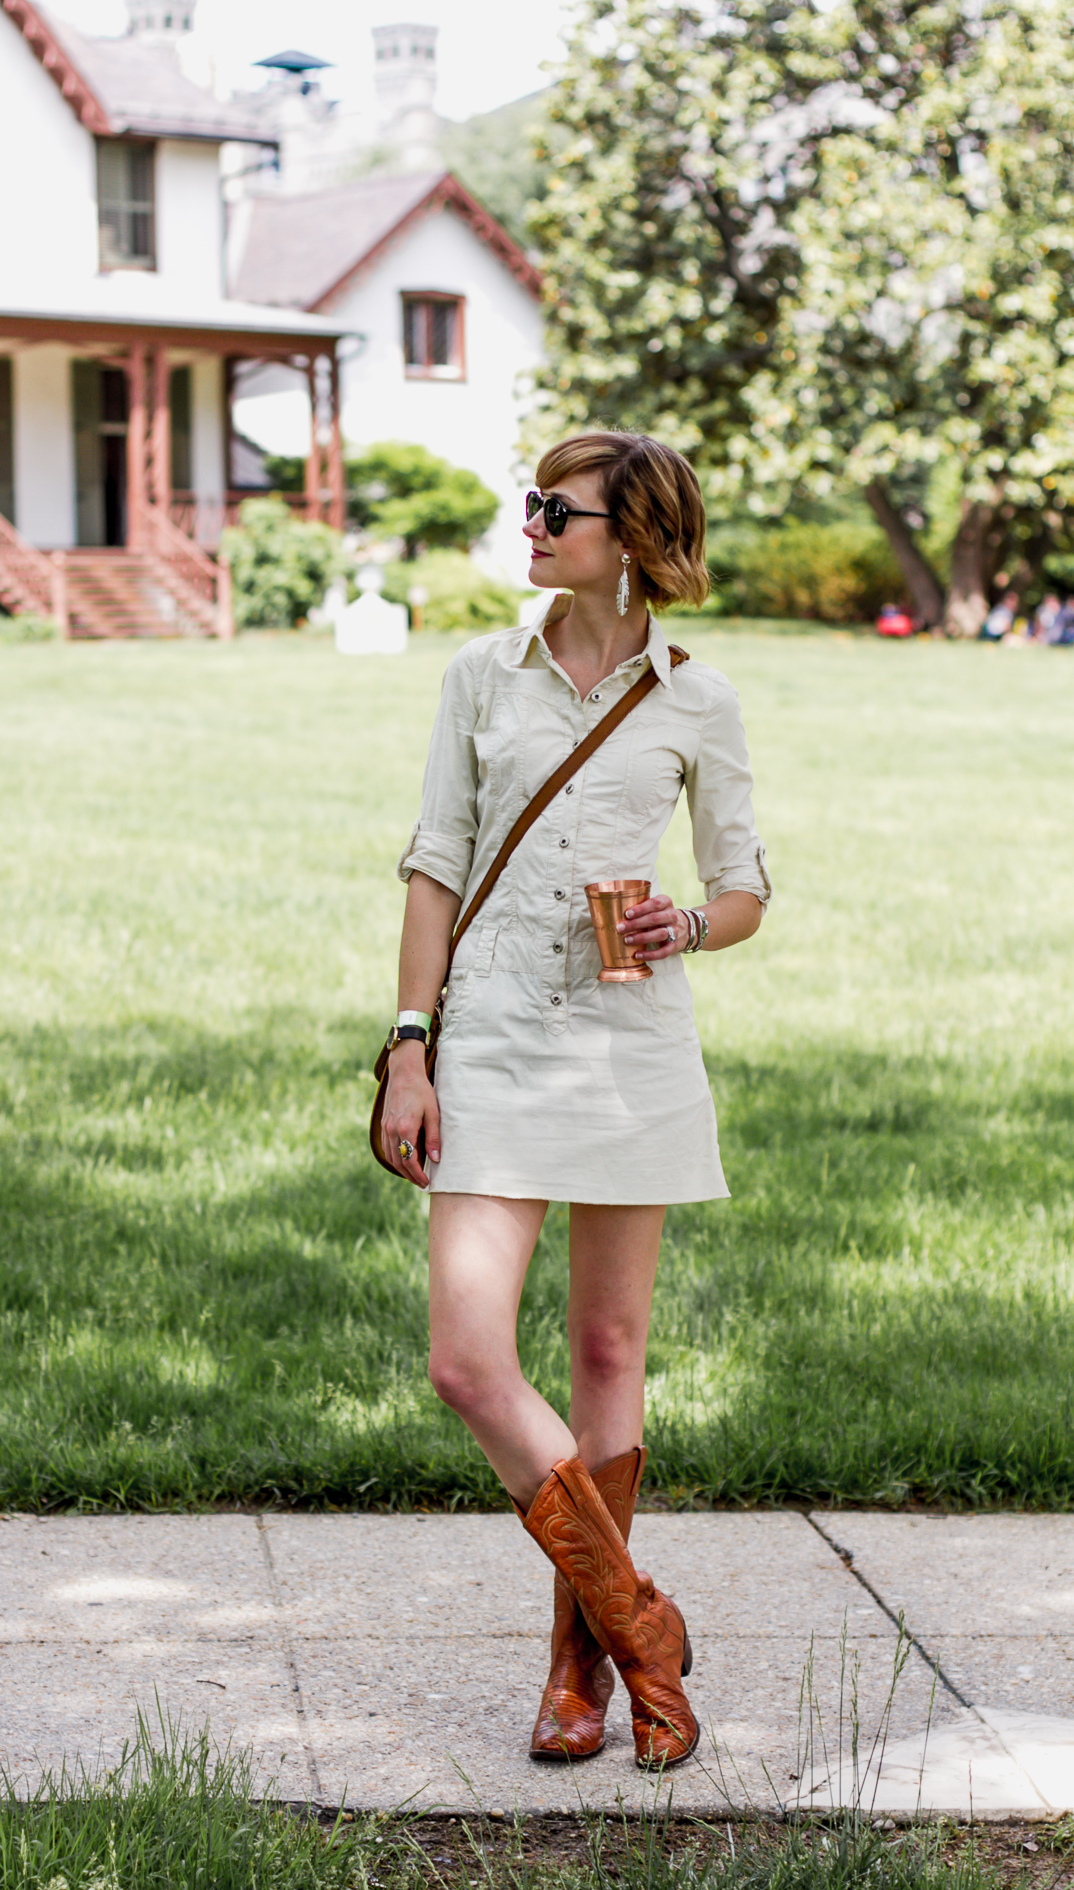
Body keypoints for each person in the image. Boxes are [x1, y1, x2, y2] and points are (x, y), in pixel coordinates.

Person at [380, 432, 770, 1771]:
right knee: (466, 1358)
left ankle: (577, 1674)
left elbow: (746, 883)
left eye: (559, 508)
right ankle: (640, 1620)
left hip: (631, 1044)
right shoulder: (480, 674)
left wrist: (692, 923)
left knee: (610, 1357)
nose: (532, 524)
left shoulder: (697, 698)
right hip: (489, 1038)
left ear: (636, 532)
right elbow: (435, 864)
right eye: (528, 502)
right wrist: (408, 1045)